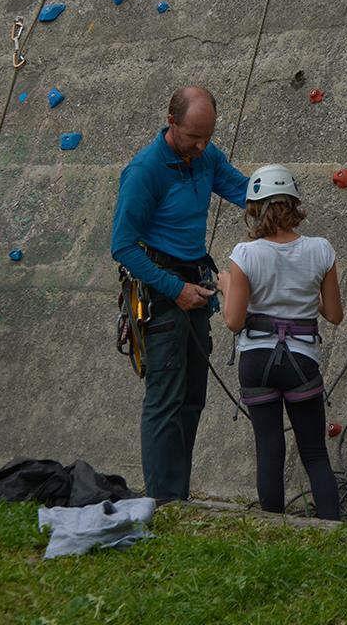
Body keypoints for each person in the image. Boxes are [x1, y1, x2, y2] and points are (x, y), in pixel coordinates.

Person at [111, 86, 248, 502]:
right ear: (171, 123)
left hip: (196, 286)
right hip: (162, 292)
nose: (202, 146)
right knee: (166, 400)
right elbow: (122, 245)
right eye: (194, 137)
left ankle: (178, 495)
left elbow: (244, 192)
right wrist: (174, 289)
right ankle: (164, 501)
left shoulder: (206, 157)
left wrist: (281, 204)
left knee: (192, 398)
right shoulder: (145, 171)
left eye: (209, 136)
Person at [217, 165, 343, 520]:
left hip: (256, 358)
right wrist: (304, 295)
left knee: (269, 448)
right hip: (301, 360)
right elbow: (333, 314)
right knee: (315, 452)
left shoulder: (245, 254)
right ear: (294, 205)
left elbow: (233, 321)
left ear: (254, 209)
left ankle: (273, 528)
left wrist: (227, 286)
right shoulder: (321, 250)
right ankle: (333, 528)